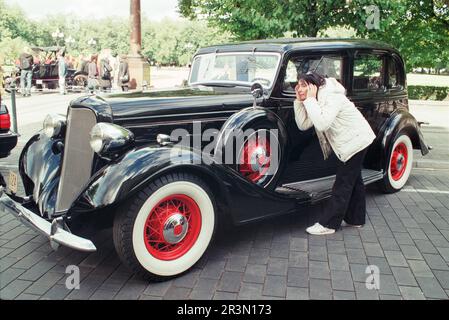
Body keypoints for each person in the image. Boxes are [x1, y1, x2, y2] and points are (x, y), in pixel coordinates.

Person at [294, 71, 376, 235]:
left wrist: (309, 100)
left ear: (315, 85)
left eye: (304, 85)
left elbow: (322, 123)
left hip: (355, 141)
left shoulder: (332, 96)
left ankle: (329, 224)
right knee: (354, 181)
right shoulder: (316, 99)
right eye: (298, 85)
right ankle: (356, 219)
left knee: (343, 184)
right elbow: (303, 124)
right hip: (354, 140)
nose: (300, 89)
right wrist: (299, 101)